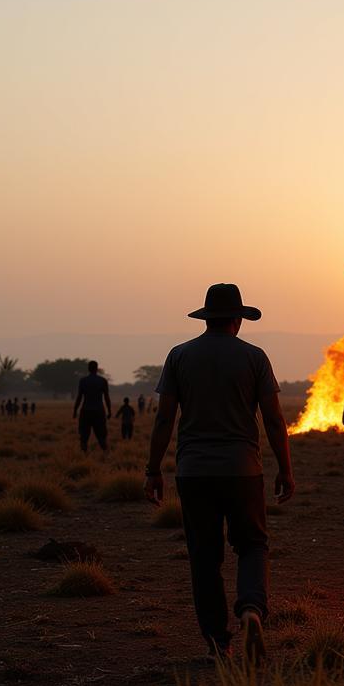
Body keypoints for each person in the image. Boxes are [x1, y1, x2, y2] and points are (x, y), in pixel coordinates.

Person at [144, 283, 295, 665]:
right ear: (237, 320)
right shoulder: (254, 357)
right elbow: (274, 421)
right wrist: (285, 469)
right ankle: (251, 610)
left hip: (193, 472)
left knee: (204, 557)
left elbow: (165, 418)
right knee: (252, 545)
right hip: (244, 470)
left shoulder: (179, 356)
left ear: (208, 317)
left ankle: (217, 641)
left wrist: (153, 470)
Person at [73, 360, 111, 454]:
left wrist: (75, 410)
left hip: (86, 410)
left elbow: (79, 397)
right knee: (102, 436)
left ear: (88, 369)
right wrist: (109, 410)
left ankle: (84, 455)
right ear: (97, 369)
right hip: (99, 410)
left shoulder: (83, 381)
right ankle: (106, 454)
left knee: (84, 436)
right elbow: (106, 397)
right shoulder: (102, 381)